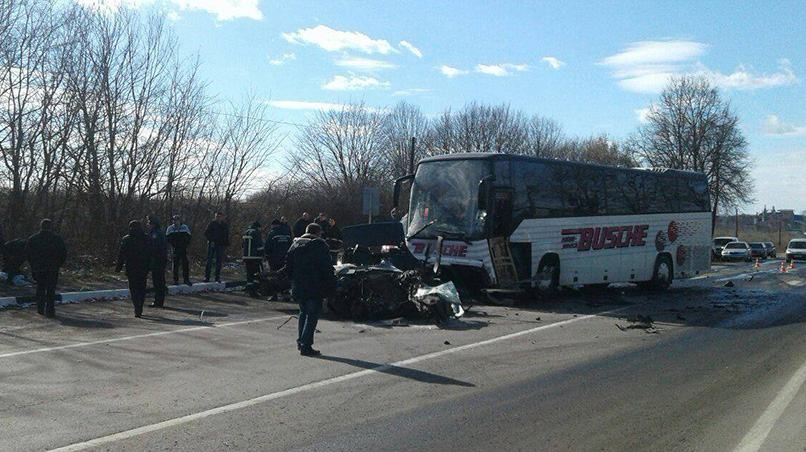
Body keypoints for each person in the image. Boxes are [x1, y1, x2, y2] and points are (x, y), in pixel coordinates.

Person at [283, 223, 336, 357]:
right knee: (312, 315)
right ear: (318, 233)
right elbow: (326, 267)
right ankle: (306, 345)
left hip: (298, 284)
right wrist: (331, 284)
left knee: (303, 313)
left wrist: (292, 280)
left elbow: (288, 266)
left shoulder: (295, 244)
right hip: (314, 285)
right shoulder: (319, 245)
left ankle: (301, 341)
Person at [26, 219, 67, 318]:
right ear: (50, 227)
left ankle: (40, 309)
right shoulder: (57, 239)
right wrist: (58, 265)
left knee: (40, 288)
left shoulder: (33, 239)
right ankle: (50, 310)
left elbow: (28, 254)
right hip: (52, 268)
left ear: (41, 226)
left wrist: (33, 266)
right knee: (51, 290)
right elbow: (63, 253)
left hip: (38, 268)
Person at [116, 220, 150, 318]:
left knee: (133, 288)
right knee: (142, 288)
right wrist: (151, 266)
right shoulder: (146, 238)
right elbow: (151, 253)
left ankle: (137, 307)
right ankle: (140, 306)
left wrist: (118, 267)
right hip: (143, 267)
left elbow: (121, 254)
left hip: (131, 267)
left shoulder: (127, 239)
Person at [146, 216, 168, 308]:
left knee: (158, 281)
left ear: (153, 224)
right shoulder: (158, 232)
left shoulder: (156, 233)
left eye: (149, 223)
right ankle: (159, 300)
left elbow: (154, 247)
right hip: (160, 259)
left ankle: (158, 301)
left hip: (158, 259)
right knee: (159, 280)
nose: (147, 225)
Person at [166, 215, 192, 286]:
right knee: (175, 265)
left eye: (177, 220)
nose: (175, 221)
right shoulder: (170, 228)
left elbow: (189, 237)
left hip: (183, 249)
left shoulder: (185, 227)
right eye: (174, 220)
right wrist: (171, 248)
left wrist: (186, 246)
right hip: (175, 249)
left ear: (180, 220)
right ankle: (175, 280)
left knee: (185, 264)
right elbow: (167, 239)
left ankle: (186, 280)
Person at [204, 212, 230, 283]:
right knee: (209, 260)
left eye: (220, 216)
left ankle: (217, 277)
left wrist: (226, 244)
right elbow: (206, 233)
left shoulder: (224, 225)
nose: (218, 218)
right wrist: (211, 240)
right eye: (217, 216)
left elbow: (226, 235)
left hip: (220, 245)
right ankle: (207, 277)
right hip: (212, 244)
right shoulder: (212, 224)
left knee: (219, 261)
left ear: (222, 217)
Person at [242, 221, 264, 286]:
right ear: (258, 227)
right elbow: (259, 246)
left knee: (249, 273)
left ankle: (249, 286)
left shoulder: (246, 232)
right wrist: (262, 254)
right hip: (255, 257)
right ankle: (255, 288)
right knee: (256, 273)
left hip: (246, 256)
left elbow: (243, 245)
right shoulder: (256, 232)